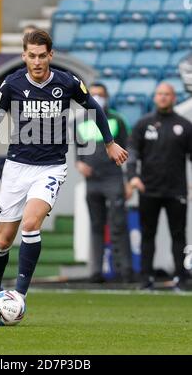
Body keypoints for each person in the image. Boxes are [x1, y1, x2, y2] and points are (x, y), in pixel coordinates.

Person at [0, 29, 128, 324]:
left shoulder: (66, 82)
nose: (37, 61)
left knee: (31, 224)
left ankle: (19, 295)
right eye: (32, 55)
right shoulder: (12, 84)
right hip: (17, 167)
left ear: (50, 55)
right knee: (3, 241)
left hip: (51, 167)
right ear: (24, 56)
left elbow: (93, 108)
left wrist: (109, 142)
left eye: (42, 55)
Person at [127, 82, 192, 291]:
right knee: (148, 235)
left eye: (167, 94)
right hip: (149, 189)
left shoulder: (184, 125)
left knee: (179, 235)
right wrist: (133, 177)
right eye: (160, 94)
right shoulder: (143, 124)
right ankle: (146, 279)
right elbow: (132, 153)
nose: (163, 97)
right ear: (155, 97)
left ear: (174, 98)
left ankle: (181, 279)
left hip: (176, 191)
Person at [75, 83, 132, 283]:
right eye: (94, 94)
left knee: (118, 224)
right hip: (92, 181)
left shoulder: (117, 120)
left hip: (113, 178)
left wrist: (128, 180)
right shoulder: (79, 121)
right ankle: (96, 272)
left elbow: (128, 149)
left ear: (107, 97)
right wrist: (79, 164)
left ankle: (124, 271)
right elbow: (77, 150)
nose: (97, 98)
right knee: (96, 225)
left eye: (101, 94)